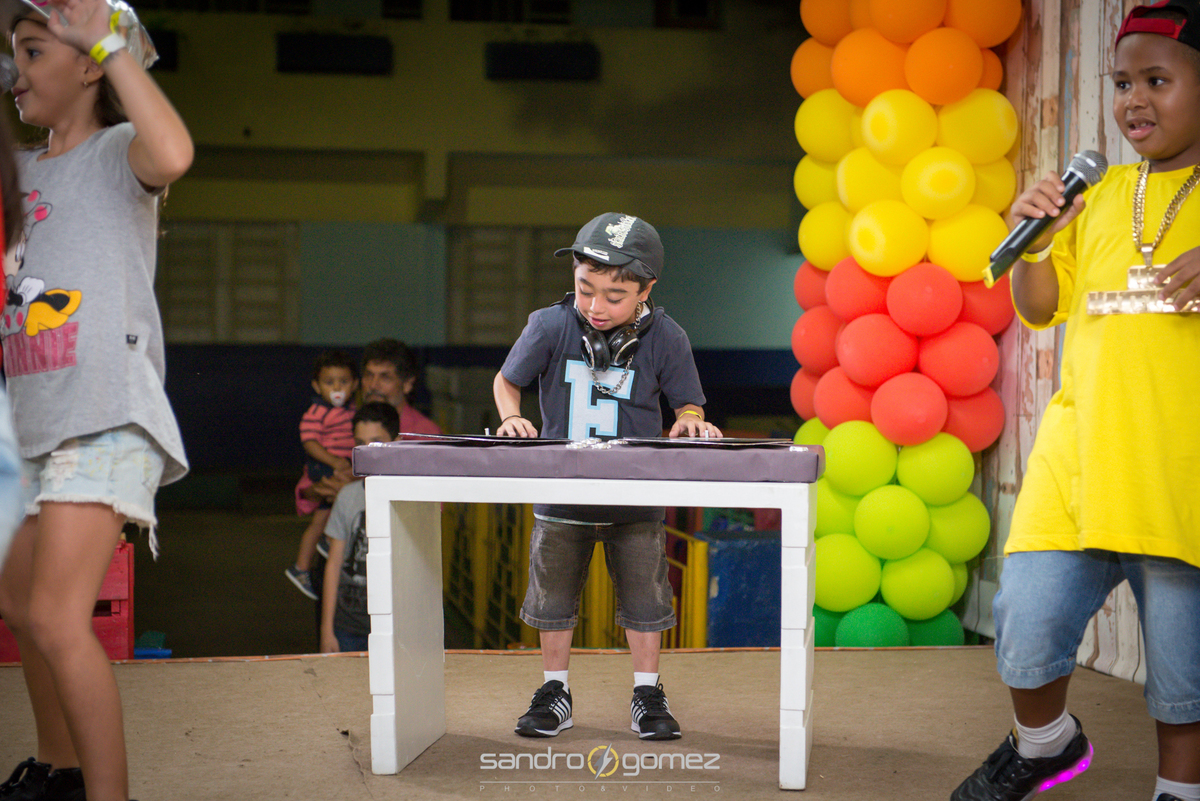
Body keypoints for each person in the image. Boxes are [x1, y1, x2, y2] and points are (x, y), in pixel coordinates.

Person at [951, 4, 1200, 800]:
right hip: (1081, 459)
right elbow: (1039, 305)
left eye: (1156, 80)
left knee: (1183, 674)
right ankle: (1046, 744)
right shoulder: (1100, 193)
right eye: (1122, 83)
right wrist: (1035, 237)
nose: (1134, 100)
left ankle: (1179, 789)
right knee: (1025, 623)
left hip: (1179, 470)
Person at [0, 1, 193, 800]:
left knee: (55, 614)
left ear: (86, 66)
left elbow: (173, 153)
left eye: (33, 50)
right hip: (33, 424)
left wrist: (110, 43)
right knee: (21, 605)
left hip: (106, 414)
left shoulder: (117, 153)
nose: (16, 70)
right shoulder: (19, 170)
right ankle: (60, 770)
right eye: (12, 52)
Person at [493, 212, 721, 741]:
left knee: (646, 600)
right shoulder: (549, 326)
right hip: (562, 496)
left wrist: (690, 420)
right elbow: (507, 381)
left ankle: (647, 693)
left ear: (646, 290)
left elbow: (688, 403)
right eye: (584, 290)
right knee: (552, 600)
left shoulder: (667, 337)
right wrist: (511, 417)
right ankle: (554, 691)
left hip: (635, 501)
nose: (596, 307)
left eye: (615, 297)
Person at [318, 401, 400, 654]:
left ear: (397, 443)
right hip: (347, 626)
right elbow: (333, 565)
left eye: (376, 443)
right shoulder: (347, 497)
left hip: (395, 627)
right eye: (360, 443)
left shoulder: (408, 498)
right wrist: (326, 630)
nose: (367, 452)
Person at [285, 349, 358, 600]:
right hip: (324, 466)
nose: (336, 387)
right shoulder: (316, 412)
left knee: (319, 520)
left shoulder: (352, 411)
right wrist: (335, 462)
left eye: (343, 381)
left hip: (341, 465)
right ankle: (328, 541)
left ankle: (302, 567)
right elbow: (309, 442)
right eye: (329, 382)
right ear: (317, 386)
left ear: (354, 384)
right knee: (344, 497)